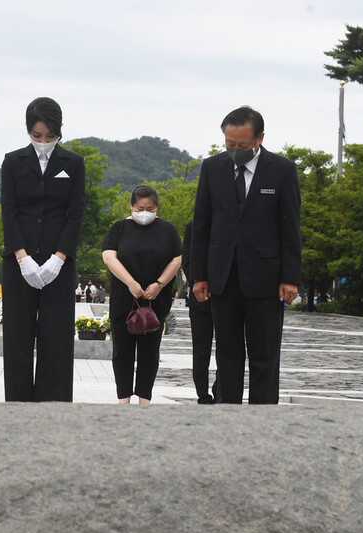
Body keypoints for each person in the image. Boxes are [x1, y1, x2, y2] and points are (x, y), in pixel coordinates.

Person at [189, 106, 301, 405]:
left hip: (265, 279)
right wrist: (199, 275)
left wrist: (290, 278)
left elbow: (290, 227)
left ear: (259, 138)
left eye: (241, 144)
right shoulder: (212, 168)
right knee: (227, 354)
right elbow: (202, 224)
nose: (235, 150)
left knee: (264, 356)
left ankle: (263, 417)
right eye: (230, 144)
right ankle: (228, 414)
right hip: (221, 277)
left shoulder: (282, 170)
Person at [0, 97, 85, 402]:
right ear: (28, 131)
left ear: (59, 131)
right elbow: (8, 211)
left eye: (50, 136)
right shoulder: (13, 162)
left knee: (56, 338)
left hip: (58, 265)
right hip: (19, 263)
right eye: (37, 136)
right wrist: (22, 258)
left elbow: (75, 213)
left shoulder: (74, 164)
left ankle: (54, 404)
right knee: (18, 338)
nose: (43, 142)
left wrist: (58, 258)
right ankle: (18, 405)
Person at [102, 185, 182, 404]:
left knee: (149, 353)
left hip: (155, 300)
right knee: (122, 352)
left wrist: (160, 284)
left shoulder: (167, 230)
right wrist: (130, 282)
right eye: (140, 208)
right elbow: (110, 258)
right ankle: (123, 398)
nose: (144, 212)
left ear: (156, 207)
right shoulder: (119, 228)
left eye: (149, 208)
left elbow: (177, 259)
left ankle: (145, 398)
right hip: (124, 300)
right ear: (131, 206)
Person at [182, 223, 217, 404]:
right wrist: (199, 281)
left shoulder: (230, 224)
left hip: (226, 297)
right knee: (201, 349)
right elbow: (186, 262)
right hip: (200, 297)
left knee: (227, 348)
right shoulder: (192, 227)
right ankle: (202, 393)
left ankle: (220, 389)